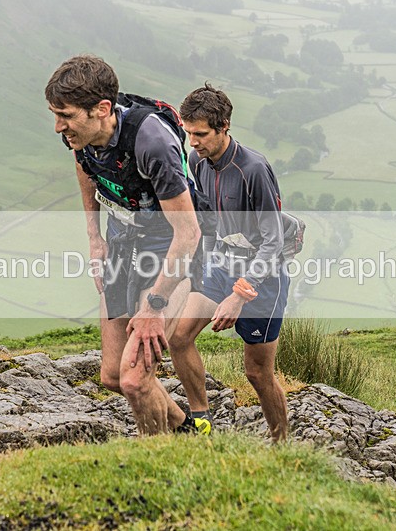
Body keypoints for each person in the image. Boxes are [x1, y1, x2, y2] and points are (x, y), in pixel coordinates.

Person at [44, 55, 210, 435]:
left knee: (135, 380)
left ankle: (155, 458)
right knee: (113, 375)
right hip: (123, 241)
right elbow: (84, 164)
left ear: (102, 109)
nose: (58, 127)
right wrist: (95, 238)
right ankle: (188, 432)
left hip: (169, 247)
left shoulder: (152, 143)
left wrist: (154, 307)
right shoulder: (83, 134)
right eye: (54, 115)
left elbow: (189, 234)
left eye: (65, 116)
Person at [169, 83, 290, 442]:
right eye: (189, 133)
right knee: (179, 337)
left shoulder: (254, 169)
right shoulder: (197, 160)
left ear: (224, 127)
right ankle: (201, 421)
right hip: (221, 267)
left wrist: (240, 294)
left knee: (257, 373)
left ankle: (282, 444)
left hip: (263, 281)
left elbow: (273, 241)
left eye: (201, 134)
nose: (192, 142)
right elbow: (208, 222)